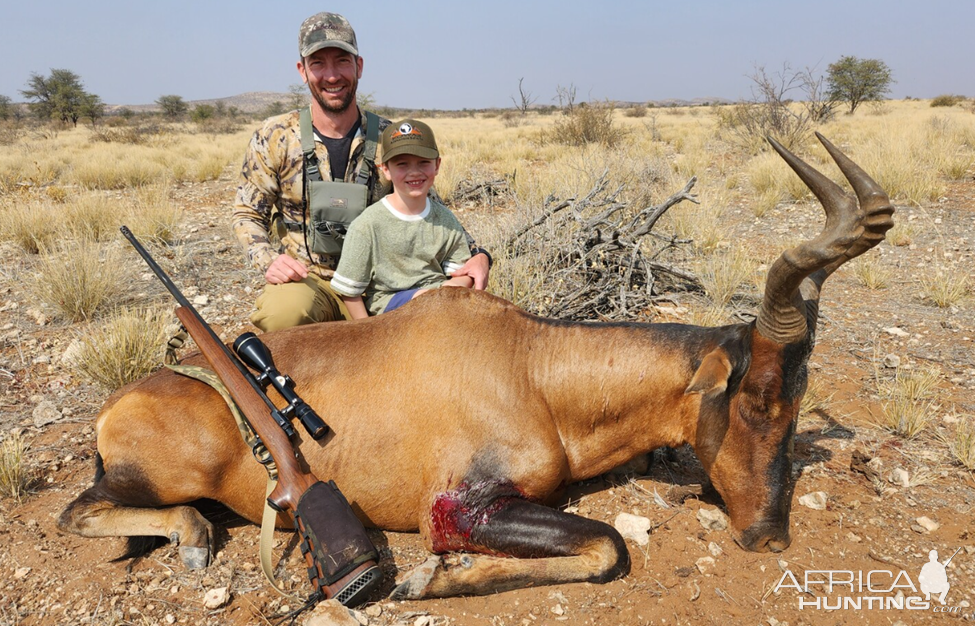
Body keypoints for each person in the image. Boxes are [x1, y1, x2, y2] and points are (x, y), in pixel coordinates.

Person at [231, 12, 491, 332]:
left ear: (359, 66)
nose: (331, 75)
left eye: (342, 61)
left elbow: (429, 205)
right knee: (284, 315)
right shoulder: (274, 136)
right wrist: (268, 259)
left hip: (383, 285)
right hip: (309, 282)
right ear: (302, 71)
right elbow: (246, 213)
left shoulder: (390, 137)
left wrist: (479, 255)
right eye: (318, 64)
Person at [330, 120, 472, 318]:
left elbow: (463, 274)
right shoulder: (367, 225)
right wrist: (368, 333)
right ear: (385, 170)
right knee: (429, 300)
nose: (414, 172)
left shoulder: (445, 218)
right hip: (391, 307)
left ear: (437, 165)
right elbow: (349, 292)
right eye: (402, 164)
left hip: (440, 300)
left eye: (423, 162)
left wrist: (453, 288)